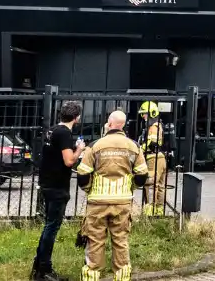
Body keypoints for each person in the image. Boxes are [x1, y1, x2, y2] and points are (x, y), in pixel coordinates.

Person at [75, 110, 148, 281]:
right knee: (120, 240)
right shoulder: (134, 146)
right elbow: (142, 174)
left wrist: (89, 189)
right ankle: (122, 277)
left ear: (109, 123)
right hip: (122, 202)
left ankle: (91, 276)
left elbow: (83, 175)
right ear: (123, 125)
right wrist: (131, 187)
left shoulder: (95, 145)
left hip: (97, 202)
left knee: (95, 241)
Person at [31, 101, 88, 281]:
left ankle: (38, 266)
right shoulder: (64, 133)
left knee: (48, 226)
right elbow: (69, 161)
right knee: (52, 227)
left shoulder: (52, 130)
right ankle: (45, 271)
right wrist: (79, 149)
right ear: (77, 117)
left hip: (47, 183)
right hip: (57, 187)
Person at [137, 101, 166, 217]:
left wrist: (139, 148)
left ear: (152, 113)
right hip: (160, 158)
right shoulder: (158, 126)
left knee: (150, 184)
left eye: (145, 114)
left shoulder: (153, 128)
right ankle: (159, 212)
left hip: (153, 159)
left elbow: (152, 144)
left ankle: (149, 213)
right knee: (159, 186)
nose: (143, 117)